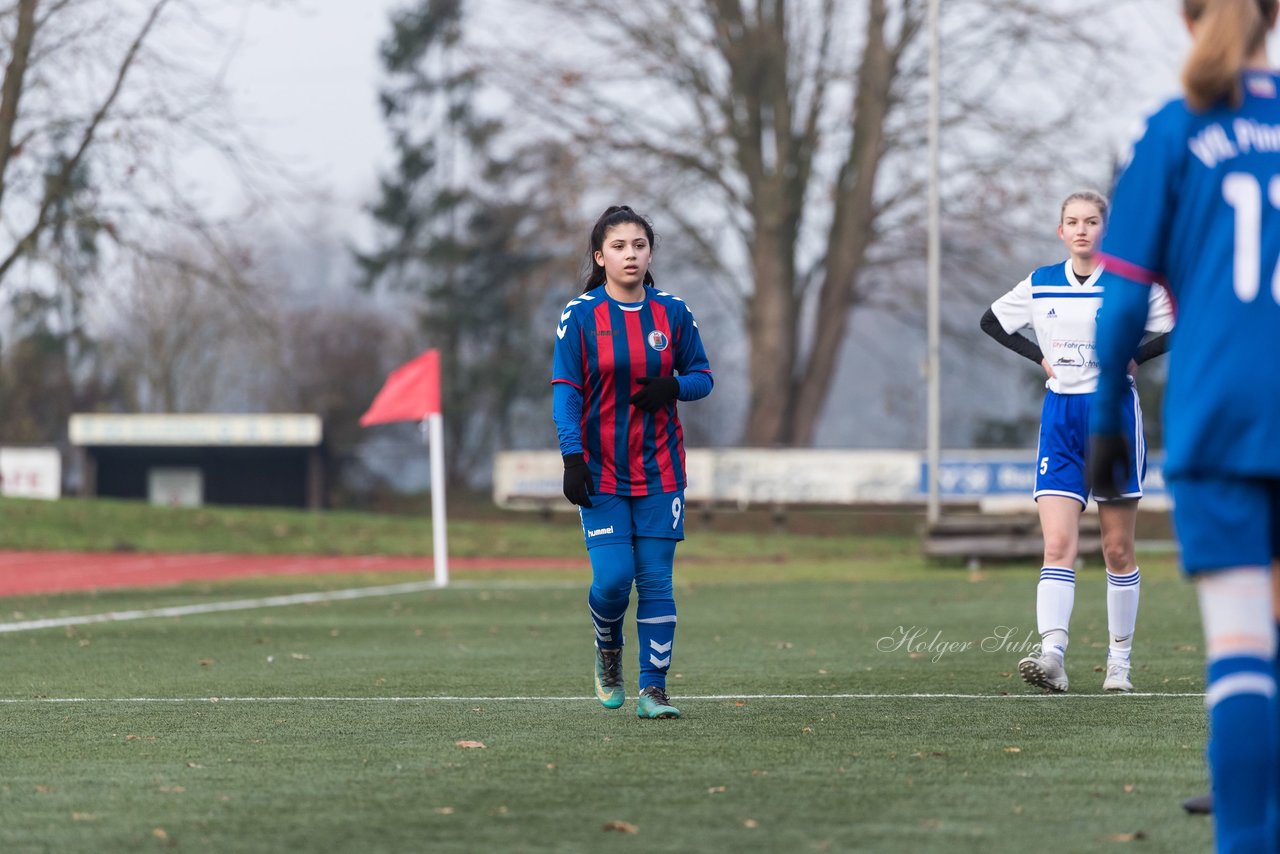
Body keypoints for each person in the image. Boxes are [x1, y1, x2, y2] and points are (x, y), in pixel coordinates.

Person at [1089, 1, 1280, 848]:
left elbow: (1125, 297)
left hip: (1221, 420)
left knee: (1243, 657)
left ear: (1187, 15)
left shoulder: (1173, 128)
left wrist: (1101, 419)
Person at [980, 191, 1173, 694]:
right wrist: (1038, 359)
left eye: (1092, 221)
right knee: (1058, 544)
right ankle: (1053, 656)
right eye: (1073, 221)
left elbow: (1180, 325)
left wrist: (1135, 359)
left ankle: (1119, 664)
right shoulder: (1041, 283)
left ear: (1105, 230)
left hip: (1111, 415)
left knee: (1115, 549)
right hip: (1060, 417)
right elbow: (993, 322)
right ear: (1060, 230)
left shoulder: (1131, 283)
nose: (1082, 229)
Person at [551, 205, 714, 720]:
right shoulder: (579, 315)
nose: (630, 255)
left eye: (639, 245)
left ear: (650, 253)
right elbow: (566, 393)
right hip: (599, 470)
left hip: (661, 469)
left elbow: (703, 376)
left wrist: (673, 385)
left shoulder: (673, 313)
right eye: (619, 247)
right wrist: (571, 456)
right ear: (600, 257)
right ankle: (607, 647)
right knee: (614, 579)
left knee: (657, 581)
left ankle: (654, 690)